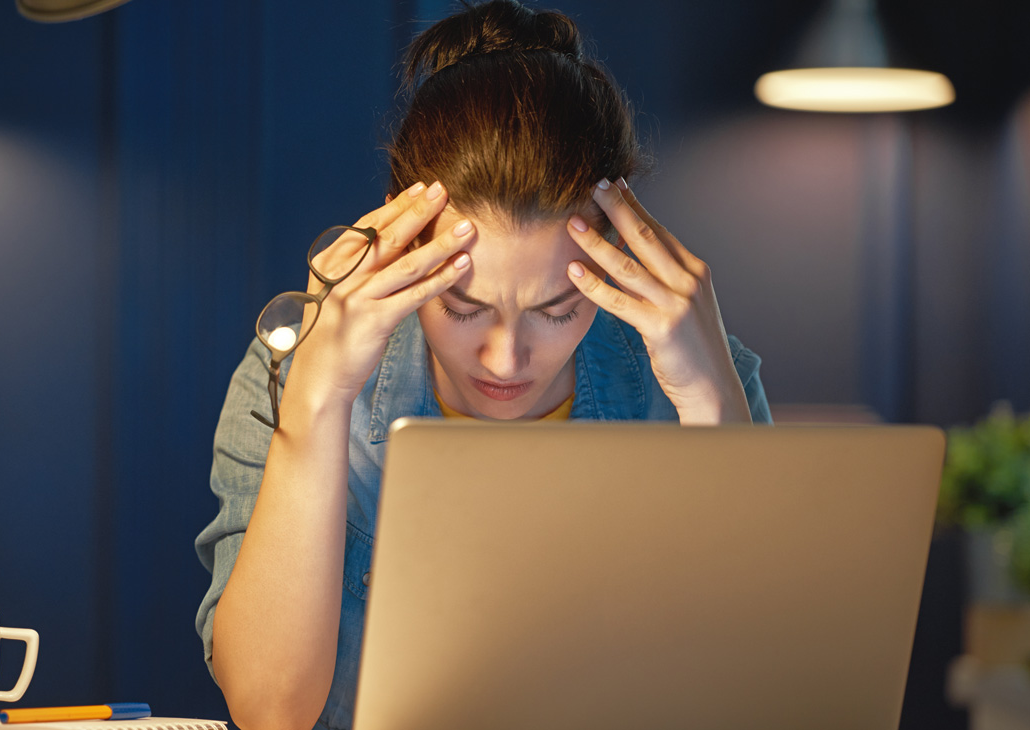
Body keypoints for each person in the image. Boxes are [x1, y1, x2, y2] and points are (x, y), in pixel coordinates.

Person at [195, 2, 772, 728]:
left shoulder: (693, 380)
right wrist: (317, 401)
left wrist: (714, 410)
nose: (506, 357)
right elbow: (270, 708)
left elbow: (756, 695)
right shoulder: (293, 373)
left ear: (621, 253)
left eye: (557, 308)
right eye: (463, 307)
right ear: (402, 244)